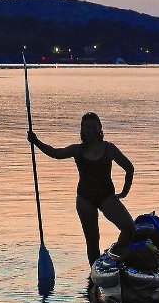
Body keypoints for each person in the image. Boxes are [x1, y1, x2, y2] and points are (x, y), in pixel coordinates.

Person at [28, 112, 135, 265]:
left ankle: (117, 252)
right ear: (82, 130)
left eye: (93, 127)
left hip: (107, 196)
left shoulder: (109, 148)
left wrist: (124, 193)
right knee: (92, 241)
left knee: (129, 228)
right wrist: (36, 141)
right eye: (86, 127)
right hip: (85, 199)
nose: (90, 130)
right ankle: (94, 275)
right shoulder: (77, 150)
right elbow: (55, 153)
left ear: (100, 128)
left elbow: (129, 168)